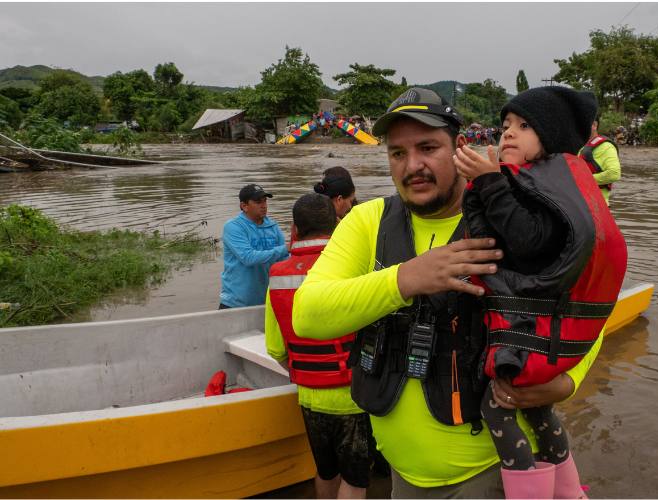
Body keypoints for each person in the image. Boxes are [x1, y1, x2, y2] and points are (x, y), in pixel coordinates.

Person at [292, 87, 603, 498]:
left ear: (459, 146)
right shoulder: (366, 222)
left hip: (494, 471)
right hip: (403, 475)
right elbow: (307, 314)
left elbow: (588, 306)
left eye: (427, 147)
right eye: (398, 153)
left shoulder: (513, 215)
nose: (413, 166)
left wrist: (568, 382)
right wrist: (406, 279)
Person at [453, 86, 627, 498]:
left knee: (496, 406)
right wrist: (488, 184)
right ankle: (570, 492)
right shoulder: (550, 181)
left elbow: (529, 241)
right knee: (538, 408)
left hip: (538, 340)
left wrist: (490, 183)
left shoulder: (547, 188)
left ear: (551, 137)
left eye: (524, 126)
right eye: (506, 125)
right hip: (553, 338)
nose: (508, 133)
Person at [265, 193, 373, 499]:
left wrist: (306, 373)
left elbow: (275, 349)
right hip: (354, 395)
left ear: (294, 230)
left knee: (326, 471)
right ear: (338, 225)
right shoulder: (357, 267)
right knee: (355, 480)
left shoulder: (277, 277)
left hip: (309, 398)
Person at [218, 184, 288, 309]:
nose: (264, 205)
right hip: (235, 303)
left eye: (265, 201)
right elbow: (248, 258)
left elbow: (284, 259)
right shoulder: (233, 227)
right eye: (258, 202)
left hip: (265, 301)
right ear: (244, 206)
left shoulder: (273, 226)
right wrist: (285, 249)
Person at [579, 117, 621, 205]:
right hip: (579, 203)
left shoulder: (607, 147)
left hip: (598, 206)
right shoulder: (579, 145)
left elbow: (614, 173)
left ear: (594, 125)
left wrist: (583, 180)